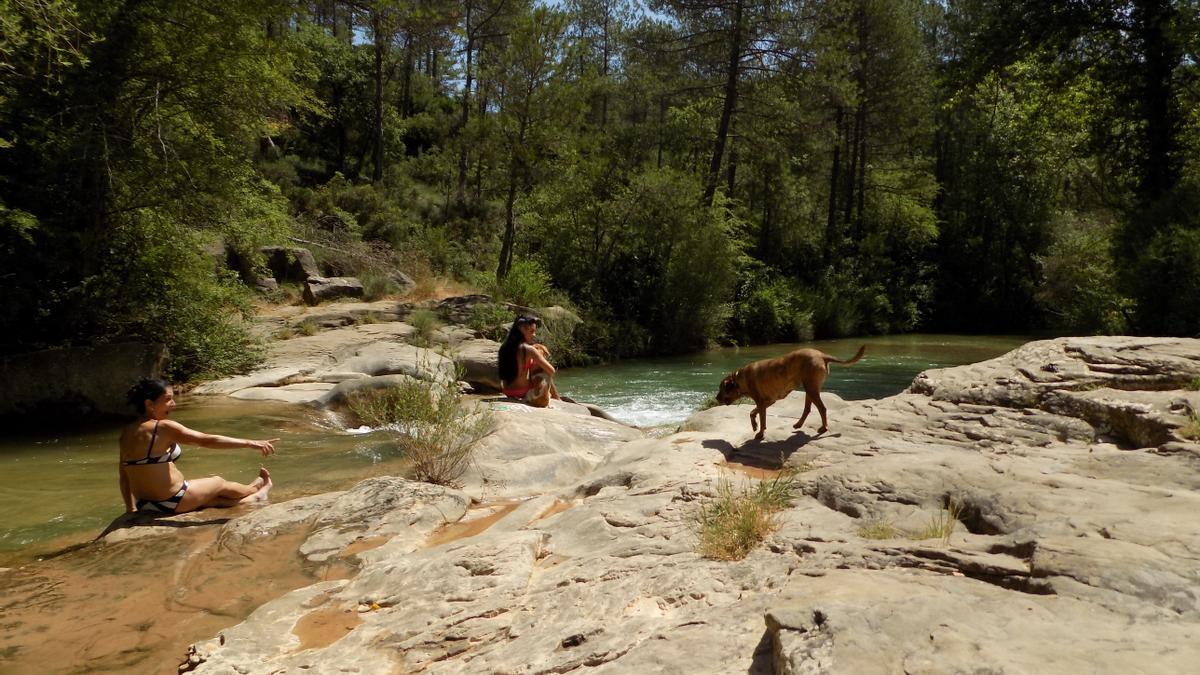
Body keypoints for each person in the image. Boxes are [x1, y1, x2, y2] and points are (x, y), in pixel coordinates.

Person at [118, 379, 278, 515]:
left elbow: (124, 476)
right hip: (173, 501)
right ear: (149, 404)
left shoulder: (127, 432)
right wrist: (250, 443)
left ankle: (256, 497)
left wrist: (130, 509)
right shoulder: (163, 427)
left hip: (145, 504)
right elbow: (206, 440)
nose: (173, 404)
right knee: (218, 482)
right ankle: (254, 488)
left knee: (215, 499)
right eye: (168, 399)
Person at [497, 315, 560, 408]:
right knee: (544, 370)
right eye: (532, 331)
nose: (534, 335)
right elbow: (552, 371)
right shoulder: (528, 349)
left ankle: (557, 398)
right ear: (522, 329)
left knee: (537, 365)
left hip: (507, 391)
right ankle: (557, 399)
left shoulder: (504, 347)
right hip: (521, 392)